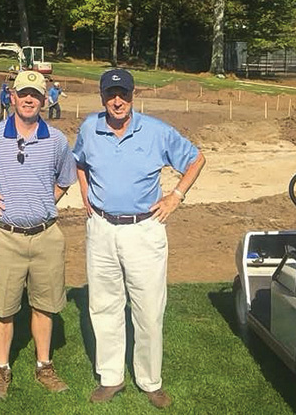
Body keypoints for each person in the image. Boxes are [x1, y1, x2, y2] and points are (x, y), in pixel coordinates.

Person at [73, 69, 205, 409]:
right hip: (101, 228)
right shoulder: (90, 127)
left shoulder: (157, 132)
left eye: (124, 94)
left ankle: (149, 380)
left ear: (134, 95)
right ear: (102, 97)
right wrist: (86, 194)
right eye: (111, 94)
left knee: (148, 310)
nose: (118, 101)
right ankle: (111, 377)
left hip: (144, 230)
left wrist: (176, 196)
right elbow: (80, 162)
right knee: (104, 306)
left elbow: (196, 159)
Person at [0, 70, 77, 402]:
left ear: (45, 98)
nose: (29, 99)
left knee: (45, 305)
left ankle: (43, 365)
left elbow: (66, 177)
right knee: (3, 308)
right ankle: (2, 369)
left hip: (47, 236)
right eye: (23, 93)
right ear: (12, 96)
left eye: (36, 94)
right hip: (6, 237)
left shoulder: (57, 139)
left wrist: (46, 202)